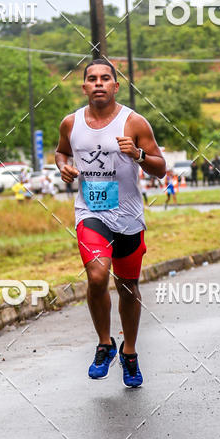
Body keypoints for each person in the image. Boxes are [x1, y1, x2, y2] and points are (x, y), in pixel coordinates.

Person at [55, 58, 166, 388]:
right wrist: (63, 167)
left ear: (116, 86)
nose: (99, 83)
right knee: (98, 274)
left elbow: (160, 168)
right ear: (84, 86)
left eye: (106, 78)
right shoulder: (71, 123)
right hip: (91, 213)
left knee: (128, 287)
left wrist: (139, 155)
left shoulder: (134, 122)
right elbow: (61, 152)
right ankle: (105, 343)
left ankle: (129, 352)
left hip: (129, 217)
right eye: (93, 78)